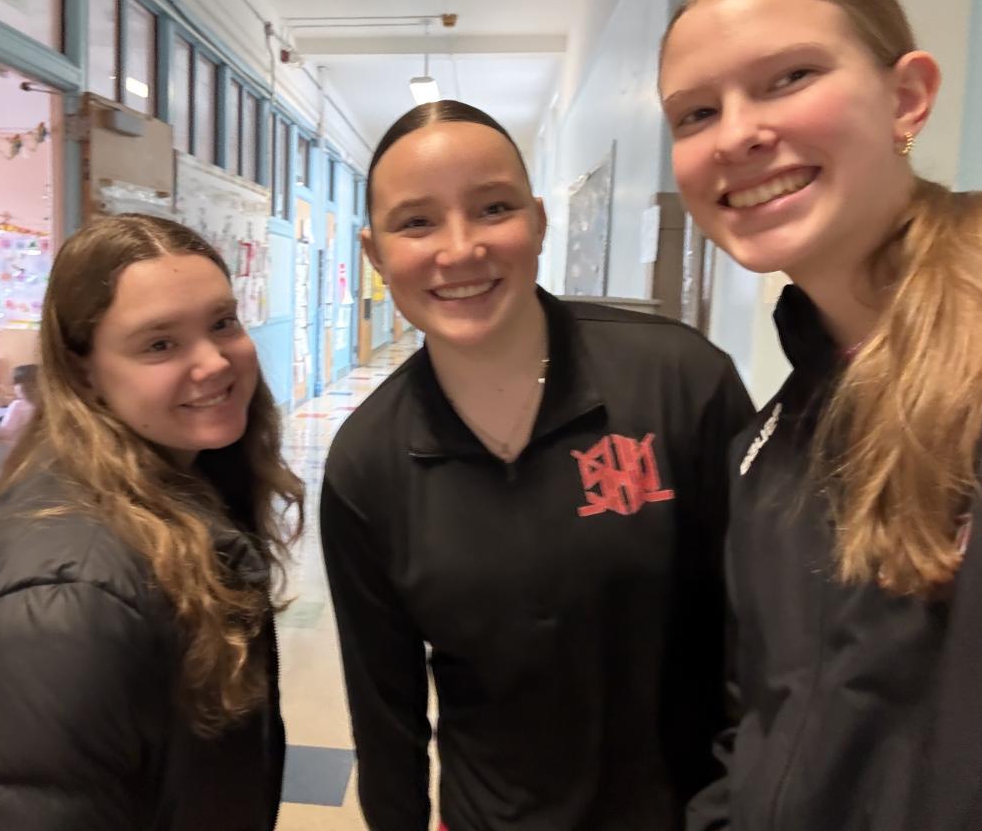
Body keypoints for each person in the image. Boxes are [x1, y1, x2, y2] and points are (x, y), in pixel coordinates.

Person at [320, 99, 755, 830]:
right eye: (417, 222)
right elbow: (385, 709)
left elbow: (765, 637)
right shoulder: (368, 465)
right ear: (375, 253)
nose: (460, 249)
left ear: (540, 221)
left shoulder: (678, 383)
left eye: (493, 208)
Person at [658, 0, 982, 830]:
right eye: (697, 112)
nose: (736, 135)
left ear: (907, 98)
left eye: (788, 78)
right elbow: (764, 718)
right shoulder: (770, 447)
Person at [0, 214, 303, 830]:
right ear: (83, 373)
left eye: (222, 323)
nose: (213, 362)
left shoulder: (183, 483)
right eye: (159, 344)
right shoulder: (67, 597)